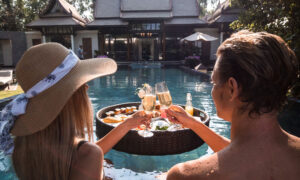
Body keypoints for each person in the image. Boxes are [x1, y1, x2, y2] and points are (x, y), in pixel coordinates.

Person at [0, 43, 150, 180]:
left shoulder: (21, 146)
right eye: (82, 82)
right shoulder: (87, 155)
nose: (87, 88)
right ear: (70, 97)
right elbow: (86, 156)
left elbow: (79, 156)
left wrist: (126, 124)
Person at [165, 31, 300, 180]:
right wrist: (193, 123)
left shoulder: (185, 175)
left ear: (232, 89)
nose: (213, 89)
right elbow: (249, 157)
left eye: (214, 83)